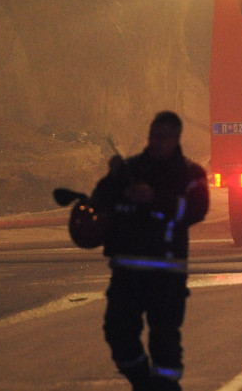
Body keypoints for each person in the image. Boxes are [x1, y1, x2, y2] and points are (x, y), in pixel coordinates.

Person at [90, 111, 210, 391]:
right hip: (127, 273)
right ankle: (143, 383)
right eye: (154, 137)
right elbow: (100, 200)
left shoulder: (191, 174)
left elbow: (196, 209)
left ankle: (166, 387)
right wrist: (113, 178)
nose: (157, 143)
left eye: (163, 138)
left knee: (165, 341)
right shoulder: (130, 170)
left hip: (166, 274)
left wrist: (154, 198)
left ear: (176, 139)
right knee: (118, 333)